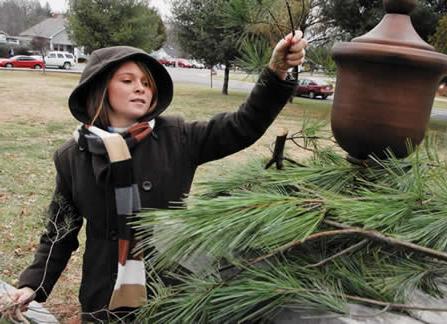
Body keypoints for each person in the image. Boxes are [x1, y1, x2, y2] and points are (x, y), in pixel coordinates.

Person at [0, 30, 307, 322]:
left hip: (169, 289)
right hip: (104, 297)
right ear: (100, 87)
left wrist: (275, 73)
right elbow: (59, 233)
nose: (141, 88)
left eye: (146, 82)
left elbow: (243, 125)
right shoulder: (72, 156)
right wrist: (32, 285)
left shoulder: (177, 136)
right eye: (128, 80)